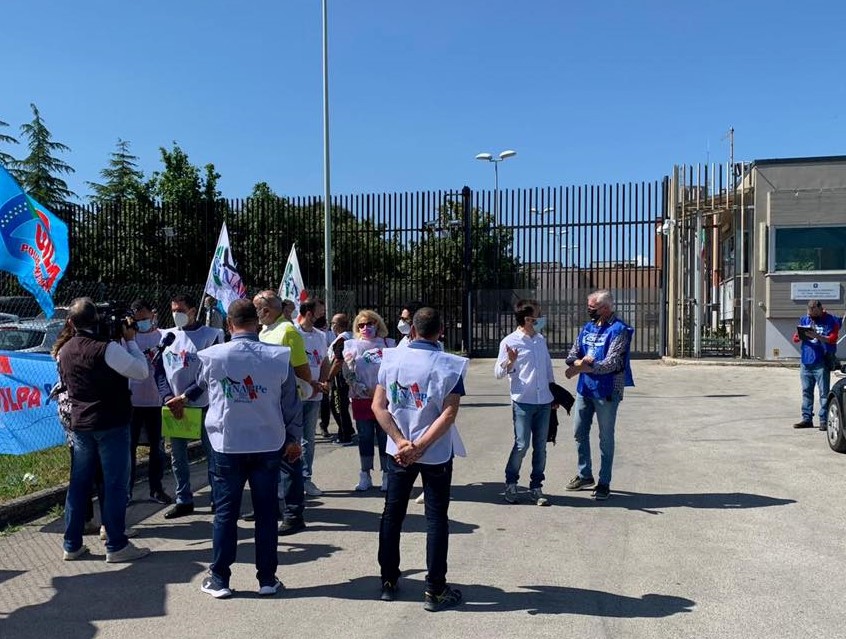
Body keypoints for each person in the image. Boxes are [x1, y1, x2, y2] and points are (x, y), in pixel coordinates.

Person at [186, 299, 303, 598]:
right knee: (266, 512)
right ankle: (267, 579)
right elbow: (291, 403)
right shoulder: (278, 356)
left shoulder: (212, 356)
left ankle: (220, 579)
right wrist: (294, 438)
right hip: (268, 442)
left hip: (228, 444)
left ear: (229, 324)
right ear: (257, 322)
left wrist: (183, 398)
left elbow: (199, 386)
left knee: (226, 513)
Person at [373, 307, 468, 611]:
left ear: (412, 330)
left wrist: (402, 442)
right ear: (441, 332)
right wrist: (421, 446)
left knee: (392, 514)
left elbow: (379, 406)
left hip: (399, 451)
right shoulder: (450, 365)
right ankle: (434, 588)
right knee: (436, 518)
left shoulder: (391, 359)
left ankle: (388, 580)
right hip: (434, 452)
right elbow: (449, 414)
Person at [59, 297, 151, 562]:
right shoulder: (106, 349)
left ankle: (71, 544)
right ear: (97, 320)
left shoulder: (65, 350)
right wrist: (131, 341)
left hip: (80, 424)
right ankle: (116, 545)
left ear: (71, 322)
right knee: (114, 484)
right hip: (111, 422)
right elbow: (141, 371)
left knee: (79, 484)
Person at [155, 294, 225, 519]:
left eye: (181, 310)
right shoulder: (166, 336)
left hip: (202, 404)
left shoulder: (211, 336)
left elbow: (209, 373)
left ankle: (218, 498)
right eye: (174, 310)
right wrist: (168, 397)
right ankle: (183, 498)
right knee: (178, 456)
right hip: (174, 407)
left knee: (212, 454)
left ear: (193, 311)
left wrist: (186, 397)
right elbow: (159, 370)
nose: (177, 314)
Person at [564, 289, 634, 501]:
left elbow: (612, 363)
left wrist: (583, 367)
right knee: (579, 432)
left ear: (605, 308)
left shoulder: (619, 330)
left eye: (592, 308)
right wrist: (579, 363)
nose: (589, 311)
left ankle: (604, 482)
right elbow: (572, 355)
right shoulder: (588, 328)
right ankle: (585, 474)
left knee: (605, 438)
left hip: (607, 392)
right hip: (584, 389)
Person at [252, 290, 311, 535]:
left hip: (285, 403)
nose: (254, 313)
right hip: (267, 401)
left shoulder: (287, 330)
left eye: (256, 308)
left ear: (267, 310)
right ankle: (272, 507)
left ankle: (294, 514)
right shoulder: (264, 331)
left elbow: (302, 369)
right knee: (267, 459)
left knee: (289, 458)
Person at [494, 299, 555, 507]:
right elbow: (498, 373)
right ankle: (511, 483)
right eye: (537, 316)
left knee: (541, 447)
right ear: (527, 319)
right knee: (522, 445)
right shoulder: (510, 341)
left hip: (544, 401)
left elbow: (547, 368)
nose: (540, 319)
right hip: (523, 402)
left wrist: (553, 393)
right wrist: (510, 361)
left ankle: (536, 487)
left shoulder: (540, 340)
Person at [343, 310, 395, 491]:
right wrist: (364, 389)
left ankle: (387, 473)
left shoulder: (389, 345)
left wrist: (381, 391)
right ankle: (365, 474)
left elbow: (394, 371)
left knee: (384, 436)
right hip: (361, 399)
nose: (366, 328)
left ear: (377, 324)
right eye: (361, 325)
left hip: (384, 400)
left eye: (370, 323)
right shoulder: (351, 346)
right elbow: (348, 373)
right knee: (365, 437)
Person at [128, 299, 172, 505]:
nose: (141, 323)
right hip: (132, 402)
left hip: (156, 402)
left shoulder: (163, 337)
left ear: (153, 315)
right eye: (137, 320)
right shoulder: (129, 338)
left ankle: (156, 488)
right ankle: (127, 491)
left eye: (144, 318)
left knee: (158, 448)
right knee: (129, 449)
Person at [296, 298, 330, 497]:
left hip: (314, 395)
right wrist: (309, 383)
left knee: (308, 438)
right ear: (309, 313)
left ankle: (306, 478)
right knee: (292, 438)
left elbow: (324, 361)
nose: (322, 316)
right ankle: (286, 480)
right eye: (320, 312)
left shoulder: (320, 335)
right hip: (296, 395)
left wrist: (323, 381)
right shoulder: (293, 333)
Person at [792, 299, 841, 430]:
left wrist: (817, 336)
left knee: (824, 393)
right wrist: (801, 335)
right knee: (806, 392)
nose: (811, 316)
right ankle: (807, 418)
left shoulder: (831, 320)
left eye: (813, 314)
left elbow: (832, 339)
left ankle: (824, 420)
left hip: (821, 362)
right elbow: (795, 338)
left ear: (820, 309)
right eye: (809, 313)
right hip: (806, 361)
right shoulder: (805, 319)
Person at [325, 313, 355, 445]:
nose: (331, 326)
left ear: (337, 325)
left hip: (341, 377)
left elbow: (338, 361)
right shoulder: (351, 336)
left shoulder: (342, 340)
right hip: (349, 376)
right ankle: (348, 429)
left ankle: (344, 435)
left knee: (338, 406)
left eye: (332, 323)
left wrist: (329, 378)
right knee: (342, 405)